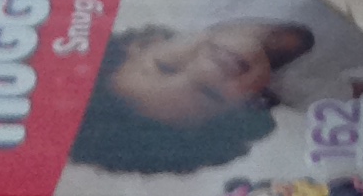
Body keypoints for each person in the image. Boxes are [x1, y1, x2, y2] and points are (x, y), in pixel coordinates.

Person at [71, 17, 312, 175]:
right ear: (247, 109)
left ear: (146, 43)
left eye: (166, 67)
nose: (208, 70)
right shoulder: (316, 96)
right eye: (211, 94)